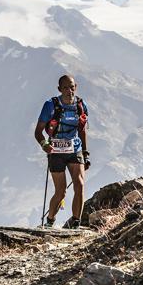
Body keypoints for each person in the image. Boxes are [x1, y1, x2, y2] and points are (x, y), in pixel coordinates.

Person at [34, 74, 90, 229]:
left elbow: (82, 130)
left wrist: (85, 153)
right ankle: (50, 221)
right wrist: (44, 144)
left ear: (76, 87)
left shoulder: (81, 105)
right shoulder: (50, 105)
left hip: (75, 149)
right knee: (61, 191)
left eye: (72, 87)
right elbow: (38, 132)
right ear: (59, 89)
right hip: (56, 151)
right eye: (65, 87)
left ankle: (75, 223)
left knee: (79, 184)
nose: (69, 91)